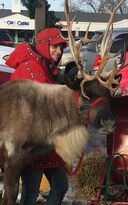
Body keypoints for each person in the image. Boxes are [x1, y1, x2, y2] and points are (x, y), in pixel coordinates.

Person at [6, 27, 68, 205]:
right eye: (54, 46)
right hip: (30, 143)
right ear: (43, 45)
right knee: (31, 193)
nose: (59, 51)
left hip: (48, 143)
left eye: (61, 47)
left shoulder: (45, 66)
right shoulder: (31, 67)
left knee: (60, 186)